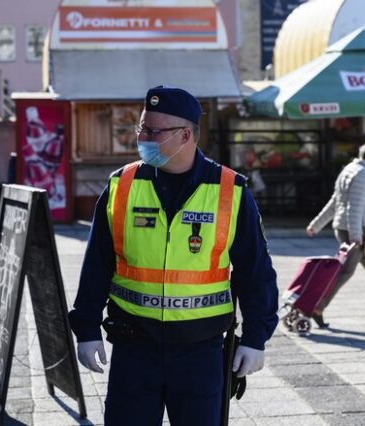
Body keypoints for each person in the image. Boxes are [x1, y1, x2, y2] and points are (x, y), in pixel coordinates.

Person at [68, 86, 278, 426]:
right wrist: (87, 327)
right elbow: (98, 263)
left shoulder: (230, 190)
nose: (144, 138)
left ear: (185, 135)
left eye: (154, 131)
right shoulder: (122, 184)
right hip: (133, 347)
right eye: (142, 129)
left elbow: (255, 272)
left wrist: (256, 338)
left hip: (202, 352)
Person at [306, 140, 365, 328]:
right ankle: (317, 308)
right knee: (344, 272)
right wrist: (356, 236)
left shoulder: (349, 169)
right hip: (356, 230)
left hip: (352, 228)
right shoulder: (363, 174)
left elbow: (335, 202)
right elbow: (353, 207)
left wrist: (316, 225)